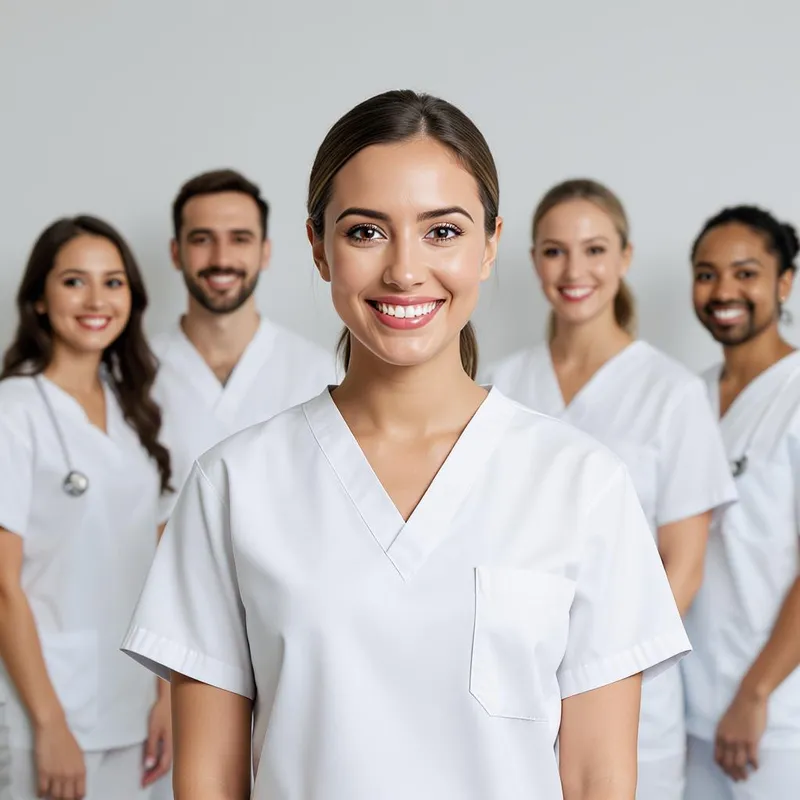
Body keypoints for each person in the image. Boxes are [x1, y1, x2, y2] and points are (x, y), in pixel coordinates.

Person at [121, 90, 690, 800]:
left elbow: (597, 777)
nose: (404, 270)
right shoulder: (234, 483)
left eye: (442, 232)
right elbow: (208, 780)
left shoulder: (582, 484)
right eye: (365, 232)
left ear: (488, 245)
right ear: (318, 249)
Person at [482, 179, 736, 800]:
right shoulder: (496, 385)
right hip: (512, 678)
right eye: (554, 251)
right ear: (533, 259)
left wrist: (597, 666)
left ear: (624, 258)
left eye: (595, 250)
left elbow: (685, 565)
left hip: (629, 684)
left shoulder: (671, 393)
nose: (575, 270)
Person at [0, 216, 173, 799]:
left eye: (114, 282)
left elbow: (154, 564)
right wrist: (49, 725)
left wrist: (165, 694)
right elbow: (2, 585)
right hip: (41, 709)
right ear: (39, 300)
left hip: (132, 700)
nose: (97, 299)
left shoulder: (134, 412)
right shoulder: (13, 411)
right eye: (75, 281)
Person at [683, 206, 800, 800]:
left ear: (785, 281)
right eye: (706, 274)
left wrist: (755, 695)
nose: (723, 290)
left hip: (776, 719)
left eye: (745, 272)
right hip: (688, 707)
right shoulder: (687, 397)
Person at [151, 168, 337, 524]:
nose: (221, 258)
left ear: (264, 252)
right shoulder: (129, 374)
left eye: (239, 239)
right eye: (202, 239)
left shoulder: (321, 373)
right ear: (176, 253)